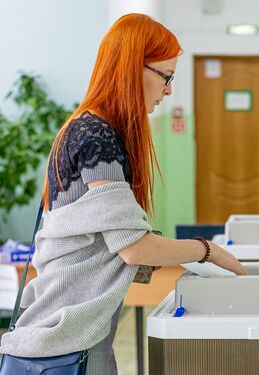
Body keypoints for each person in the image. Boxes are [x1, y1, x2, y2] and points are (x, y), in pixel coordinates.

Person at [0, 13, 246, 374]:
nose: (169, 90)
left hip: (73, 332)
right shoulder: (94, 135)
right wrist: (206, 250)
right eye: (167, 76)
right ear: (134, 68)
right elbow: (134, 247)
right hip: (66, 340)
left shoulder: (92, 130)